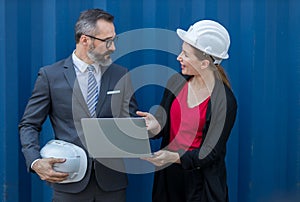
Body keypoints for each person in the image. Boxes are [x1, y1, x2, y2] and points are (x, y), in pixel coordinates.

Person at [19, 8, 138, 201]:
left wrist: (148, 129)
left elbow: (130, 123)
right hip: (68, 182)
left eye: (114, 40)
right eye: (107, 41)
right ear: (85, 40)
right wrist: (35, 161)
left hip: (112, 185)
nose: (113, 48)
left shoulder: (120, 75)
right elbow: (29, 124)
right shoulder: (50, 76)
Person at [137, 20, 237, 202]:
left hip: (200, 185)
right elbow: (164, 124)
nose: (179, 57)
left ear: (205, 63)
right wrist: (155, 125)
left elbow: (211, 152)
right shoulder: (176, 82)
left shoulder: (225, 101)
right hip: (169, 179)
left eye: (186, 54)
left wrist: (174, 157)